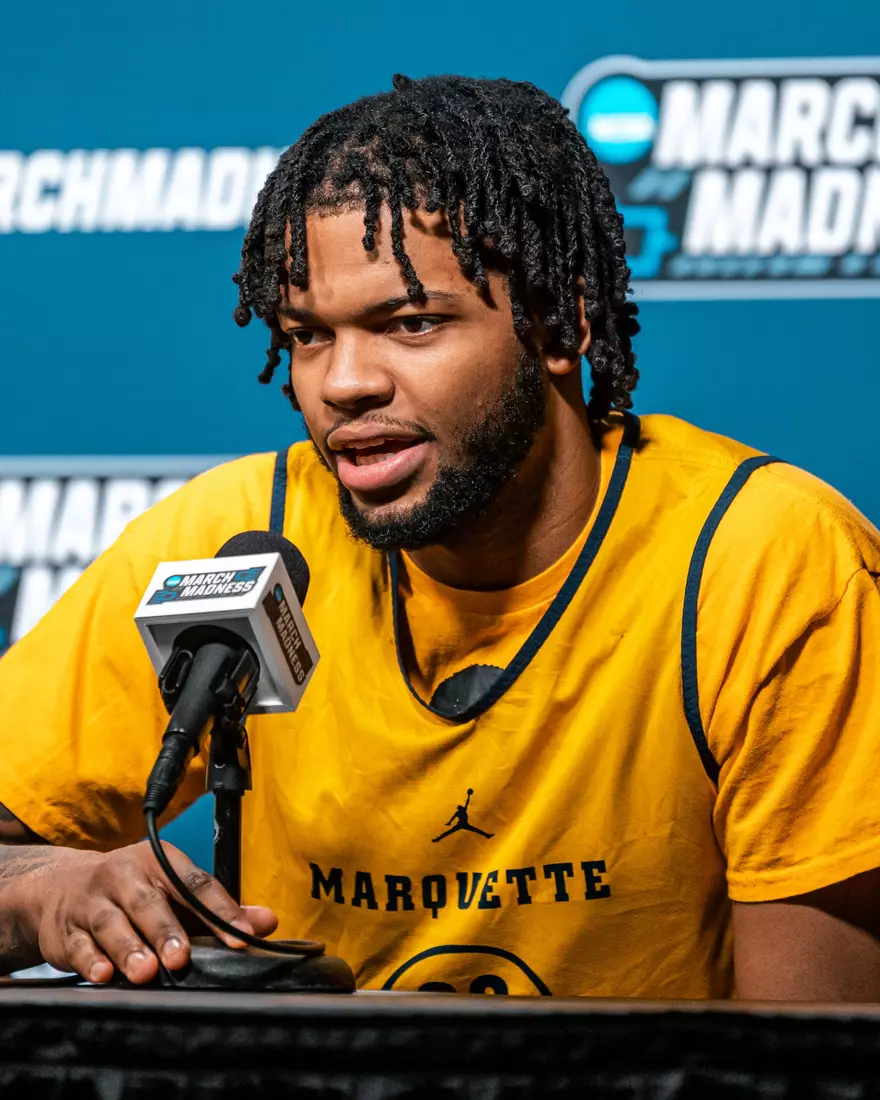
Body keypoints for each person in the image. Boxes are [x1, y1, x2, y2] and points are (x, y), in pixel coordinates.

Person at [2, 74, 880, 1001]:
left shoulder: (769, 561)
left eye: (411, 323)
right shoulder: (237, 544)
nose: (344, 385)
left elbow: (806, 1057)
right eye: (307, 336)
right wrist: (40, 892)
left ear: (562, 322)